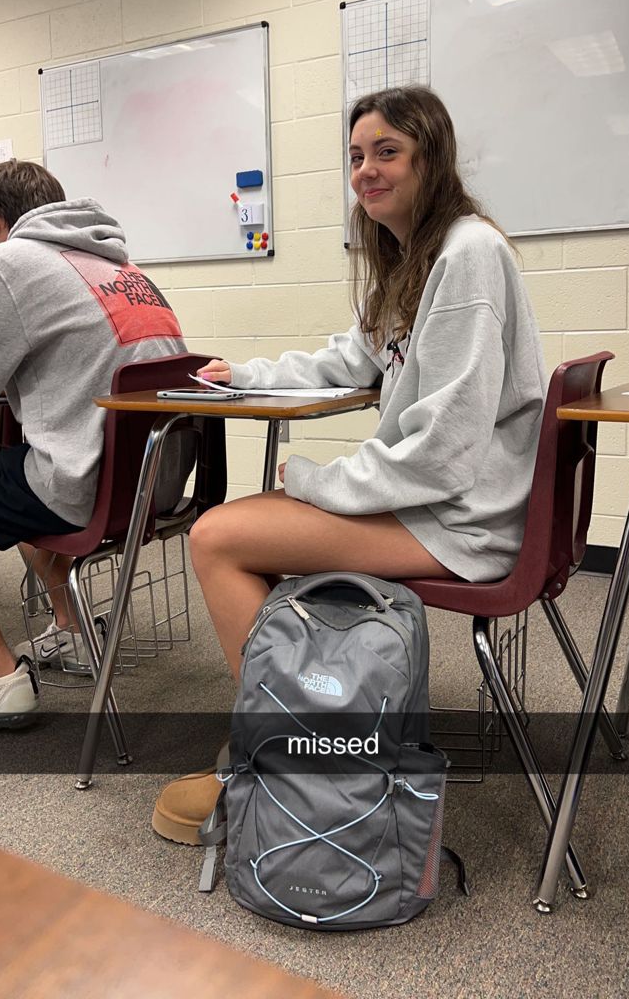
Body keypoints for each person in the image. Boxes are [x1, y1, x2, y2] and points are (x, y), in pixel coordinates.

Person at [152, 84, 547, 845]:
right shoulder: (415, 260)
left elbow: (442, 453)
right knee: (253, 530)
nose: (365, 171)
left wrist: (314, 484)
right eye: (356, 156)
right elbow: (351, 357)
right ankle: (294, 734)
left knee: (218, 537)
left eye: (386, 153)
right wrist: (250, 376)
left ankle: (287, 760)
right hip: (445, 504)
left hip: (460, 521)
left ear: (432, 158)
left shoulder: (467, 257)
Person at [0, 160, 188, 728]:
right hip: (156, 484)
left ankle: (4, 682)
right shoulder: (120, 265)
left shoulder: (12, 262)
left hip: (88, 485)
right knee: (24, 468)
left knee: (30, 474)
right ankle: (73, 628)